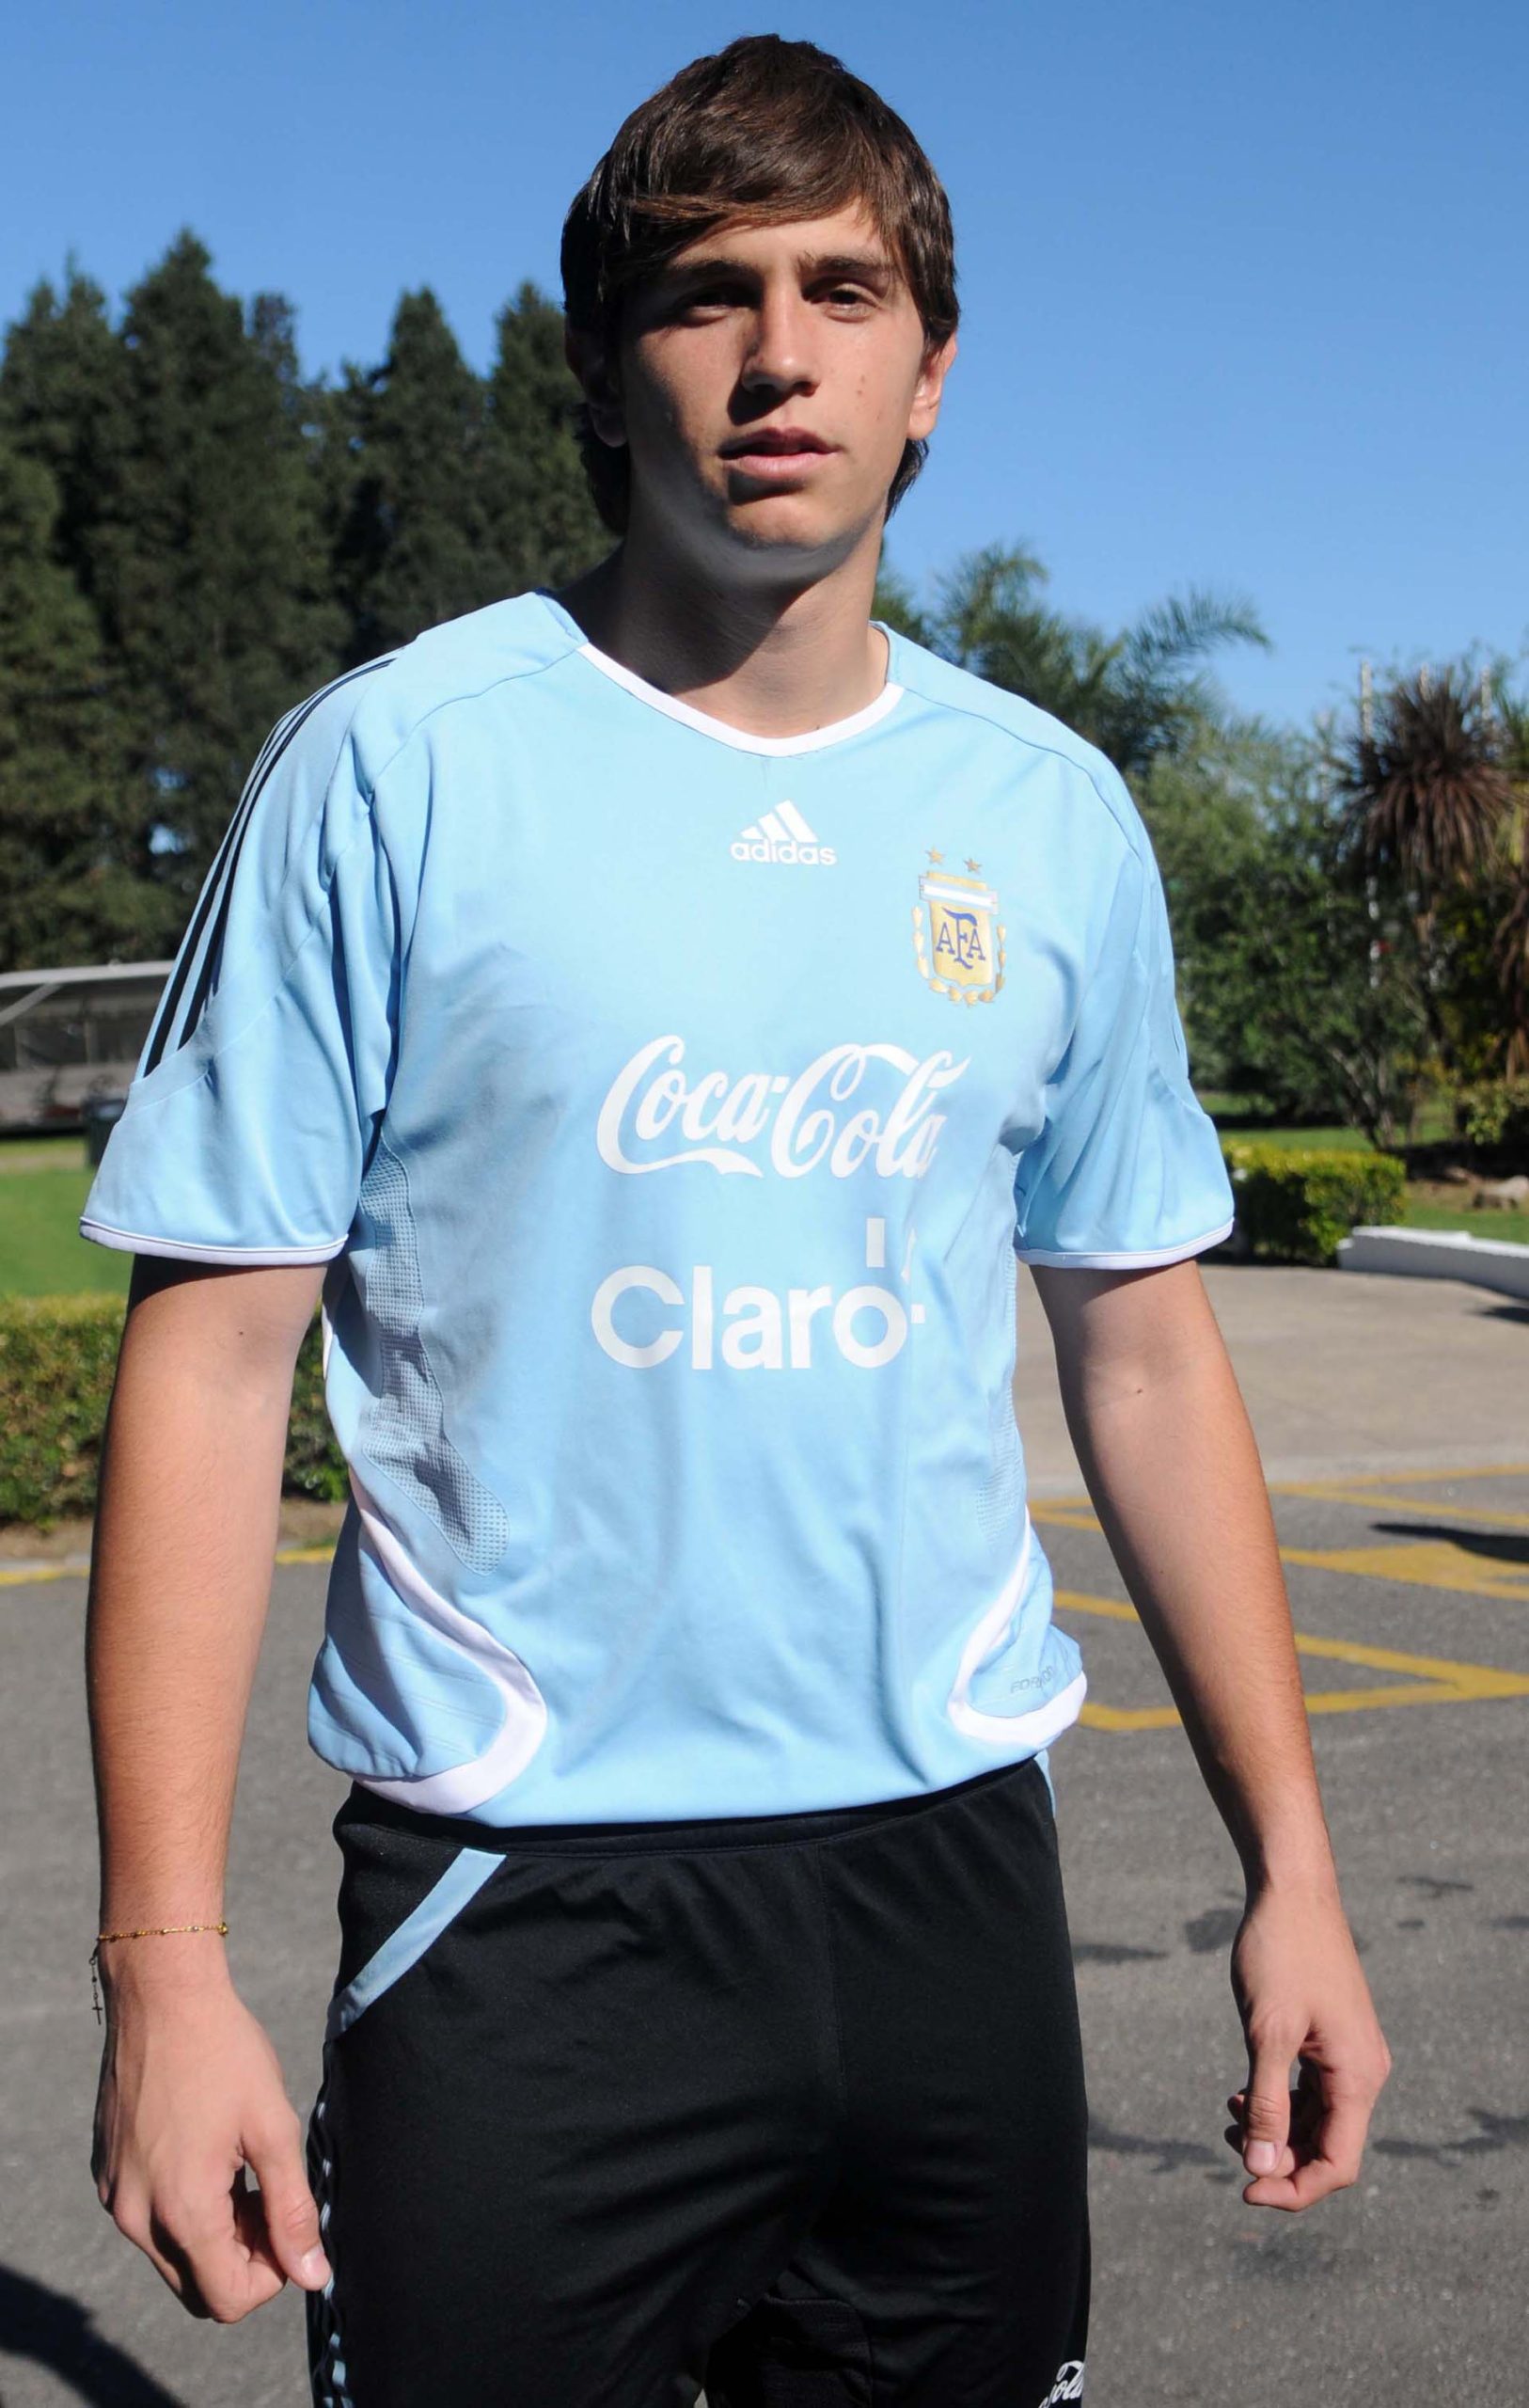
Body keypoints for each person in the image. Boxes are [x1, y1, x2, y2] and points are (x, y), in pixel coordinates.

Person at [81, 32, 1391, 2408]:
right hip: (524, 1905)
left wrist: (1291, 1861)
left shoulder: (1047, 814)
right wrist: (164, 1966)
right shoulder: (399, 765)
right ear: (605, 370)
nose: (780, 355)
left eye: (843, 291)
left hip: (951, 1887)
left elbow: (1141, 1346)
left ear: (931, 370)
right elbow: (210, 1354)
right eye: (706, 296)